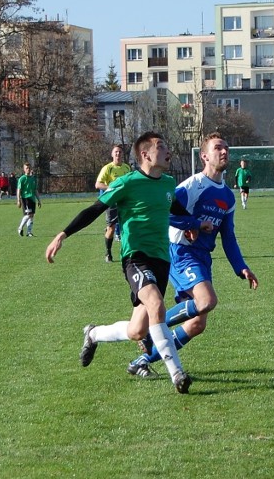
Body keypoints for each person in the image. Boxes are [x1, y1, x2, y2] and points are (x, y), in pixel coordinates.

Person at [45, 131, 201, 394]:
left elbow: (174, 208)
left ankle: (93, 334)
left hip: (161, 260)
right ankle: (177, 374)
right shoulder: (127, 183)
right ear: (145, 154)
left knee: (137, 330)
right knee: (156, 304)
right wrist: (63, 234)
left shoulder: (167, 183)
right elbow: (94, 209)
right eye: (161, 147)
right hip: (135, 257)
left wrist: (193, 224)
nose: (167, 151)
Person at [127, 132, 259, 378]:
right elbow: (162, 210)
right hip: (180, 252)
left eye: (226, 147)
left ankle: (142, 360)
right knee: (206, 301)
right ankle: (151, 327)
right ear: (205, 156)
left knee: (197, 323)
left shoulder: (228, 196)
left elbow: (228, 236)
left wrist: (240, 266)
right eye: (218, 147)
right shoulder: (192, 186)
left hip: (202, 258)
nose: (224, 151)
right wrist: (193, 224)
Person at [95, 144, 131, 262]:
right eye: (116, 152)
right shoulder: (107, 168)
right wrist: (111, 189)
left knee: (128, 227)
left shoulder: (127, 168)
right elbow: (98, 184)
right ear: (112, 154)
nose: (118, 154)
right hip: (112, 202)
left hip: (125, 202)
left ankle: (127, 253)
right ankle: (108, 253)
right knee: (111, 228)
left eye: (120, 152)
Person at [17, 162, 42, 237]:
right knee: (28, 214)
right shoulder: (22, 178)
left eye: (29, 168)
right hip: (25, 198)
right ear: (24, 169)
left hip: (32, 199)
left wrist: (39, 200)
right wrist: (18, 200)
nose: (28, 169)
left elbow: (35, 190)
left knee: (32, 215)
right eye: (26, 168)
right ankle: (20, 228)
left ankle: (29, 232)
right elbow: (19, 189)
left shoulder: (33, 179)